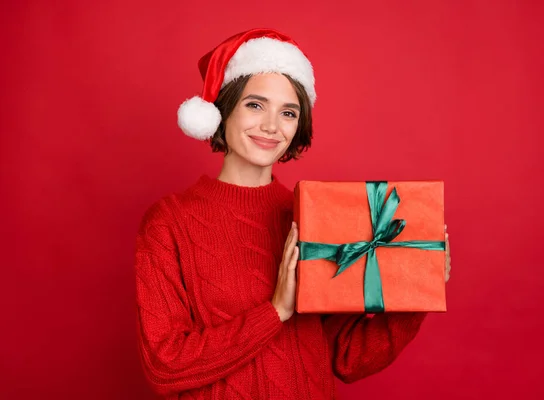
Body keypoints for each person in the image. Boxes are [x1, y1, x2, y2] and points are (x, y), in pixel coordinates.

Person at [135, 28, 451, 399]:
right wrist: (274, 312)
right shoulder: (168, 223)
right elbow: (164, 365)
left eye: (288, 112)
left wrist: (416, 294)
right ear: (223, 109)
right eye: (255, 105)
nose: (271, 126)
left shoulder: (315, 214)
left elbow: (346, 357)